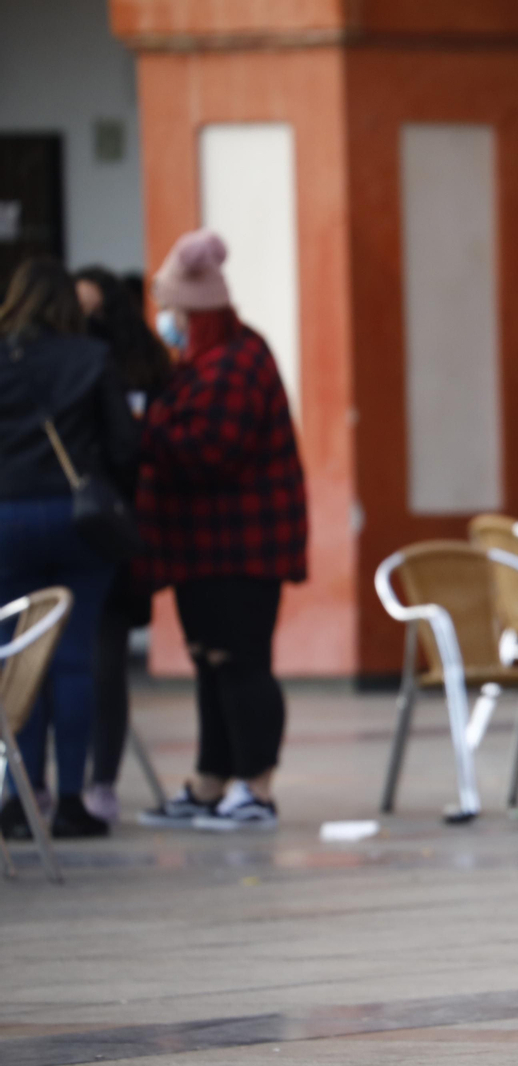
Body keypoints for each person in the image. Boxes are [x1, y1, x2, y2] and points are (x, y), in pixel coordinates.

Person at [134, 230, 307, 832]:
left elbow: (212, 451)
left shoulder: (237, 362)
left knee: (241, 663)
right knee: (210, 663)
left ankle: (256, 788)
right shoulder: (205, 361)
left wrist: (143, 430)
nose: (168, 324)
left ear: (198, 313)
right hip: (203, 546)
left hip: (242, 547)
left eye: (175, 313)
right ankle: (210, 782)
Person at [0, 257, 139, 839]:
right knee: (75, 658)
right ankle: (76, 798)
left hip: (5, 519)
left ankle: (22, 796)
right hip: (79, 520)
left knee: (17, 656)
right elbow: (125, 446)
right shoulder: (91, 358)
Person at [75, 266, 172, 824]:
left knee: (103, 661)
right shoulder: (71, 366)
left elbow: (131, 448)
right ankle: (51, 785)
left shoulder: (140, 366)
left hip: (113, 529)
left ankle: (98, 783)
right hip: (85, 520)